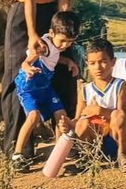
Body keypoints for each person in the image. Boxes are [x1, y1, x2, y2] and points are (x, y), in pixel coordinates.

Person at [1, 0, 77, 157]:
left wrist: (64, 25)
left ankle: (66, 141)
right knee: (21, 77)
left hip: (53, 16)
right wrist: (33, 35)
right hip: (25, 17)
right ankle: (18, 148)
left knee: (63, 70)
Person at [10, 11, 81, 172]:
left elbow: (54, 58)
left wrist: (68, 61)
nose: (64, 46)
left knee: (61, 115)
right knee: (33, 117)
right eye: (62, 41)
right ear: (51, 33)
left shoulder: (55, 46)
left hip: (45, 87)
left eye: (69, 42)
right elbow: (26, 62)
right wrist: (28, 69)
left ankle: (60, 152)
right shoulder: (42, 46)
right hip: (29, 88)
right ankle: (17, 154)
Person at [60, 38, 126, 172]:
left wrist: (99, 110)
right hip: (95, 142)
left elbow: (124, 116)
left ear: (113, 62)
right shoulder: (85, 89)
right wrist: (68, 124)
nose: (98, 67)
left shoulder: (119, 85)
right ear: (87, 65)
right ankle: (87, 158)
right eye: (93, 63)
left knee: (118, 115)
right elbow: (78, 118)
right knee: (82, 123)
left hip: (115, 140)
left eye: (103, 61)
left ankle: (123, 156)